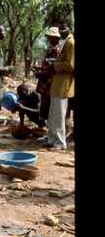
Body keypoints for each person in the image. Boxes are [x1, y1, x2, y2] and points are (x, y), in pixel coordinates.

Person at [38, 19, 74, 150]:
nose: (61, 31)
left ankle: (59, 142)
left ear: (70, 28)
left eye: (64, 28)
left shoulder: (71, 43)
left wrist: (54, 66)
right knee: (53, 113)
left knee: (59, 115)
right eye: (60, 29)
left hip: (63, 84)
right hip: (56, 83)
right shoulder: (64, 43)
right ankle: (52, 139)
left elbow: (70, 65)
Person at [33, 27, 62, 128]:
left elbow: (52, 68)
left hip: (49, 83)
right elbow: (47, 66)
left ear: (57, 38)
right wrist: (40, 69)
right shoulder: (51, 48)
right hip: (45, 82)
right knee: (44, 105)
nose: (50, 40)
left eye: (52, 38)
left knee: (49, 106)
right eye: (50, 37)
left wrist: (41, 73)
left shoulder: (57, 50)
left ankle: (50, 130)